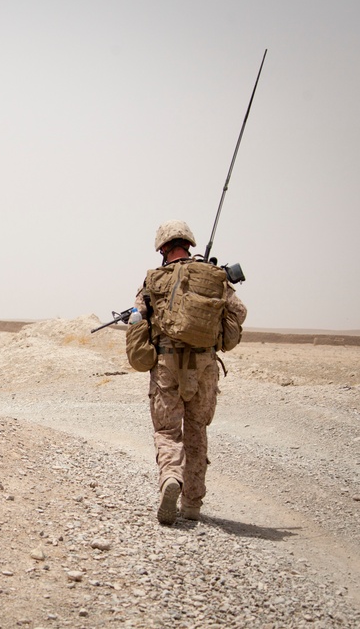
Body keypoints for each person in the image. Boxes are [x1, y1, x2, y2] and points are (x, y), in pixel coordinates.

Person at [134, 220, 247, 525]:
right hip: (205, 365)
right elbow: (238, 311)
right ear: (189, 244)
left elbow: (138, 319)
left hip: (166, 365)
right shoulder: (215, 278)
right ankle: (193, 505)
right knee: (197, 430)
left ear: (162, 247)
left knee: (168, 431)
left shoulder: (153, 280)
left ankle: (171, 478)